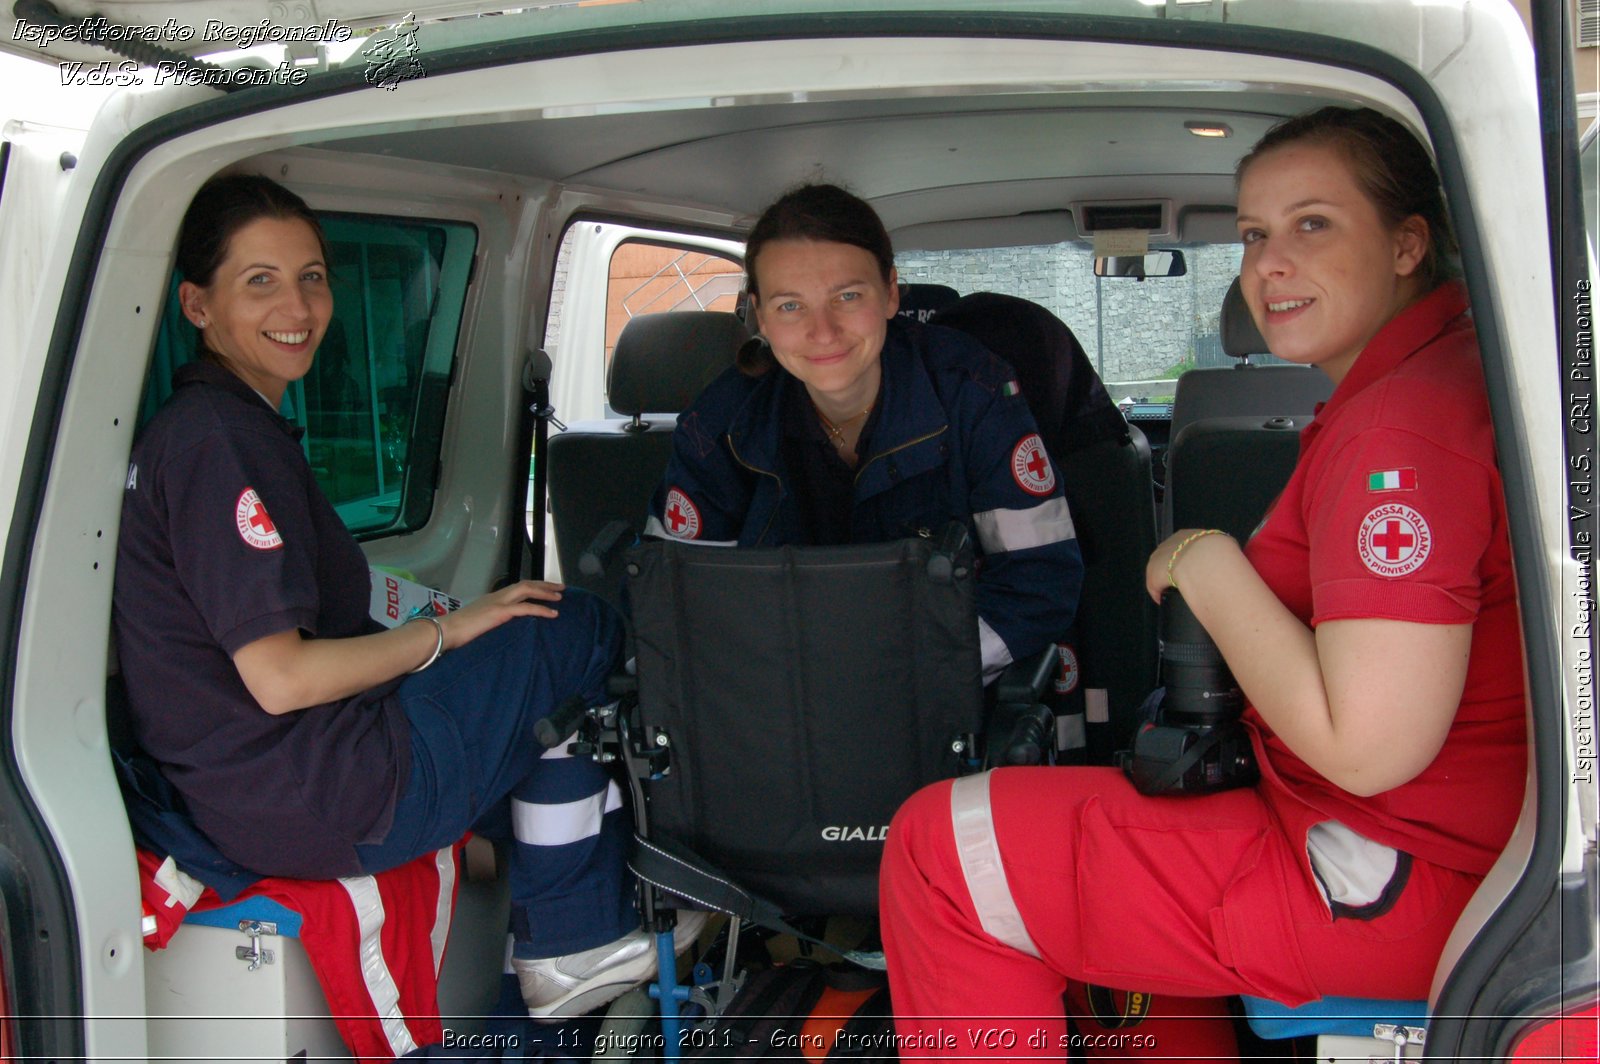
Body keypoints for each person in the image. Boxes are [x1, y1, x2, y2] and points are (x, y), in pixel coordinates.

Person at [878, 106, 1526, 1058]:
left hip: (1392, 874)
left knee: (943, 851)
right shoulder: (1434, 379)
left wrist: (1203, 559)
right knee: (1115, 825)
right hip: (1405, 845)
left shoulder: (1402, 433)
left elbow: (1365, 746)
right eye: (1256, 233)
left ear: (1407, 241)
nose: (1268, 263)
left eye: (1313, 224)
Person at [113, 173, 700, 1027]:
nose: (299, 305)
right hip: (321, 791)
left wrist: (455, 626)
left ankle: (543, 957)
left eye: (312, 276)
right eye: (260, 281)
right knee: (575, 628)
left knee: (531, 694)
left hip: (255, 788)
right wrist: (448, 633)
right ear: (196, 305)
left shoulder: (212, 426)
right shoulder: (219, 445)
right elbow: (279, 677)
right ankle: (570, 943)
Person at [647, 183, 1084, 681]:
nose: (824, 331)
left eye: (847, 296)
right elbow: (674, 594)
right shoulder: (721, 425)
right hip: (778, 698)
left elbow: (1038, 580)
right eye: (791, 305)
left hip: (947, 691)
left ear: (891, 294)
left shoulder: (973, 392)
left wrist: (899, 674)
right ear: (760, 315)